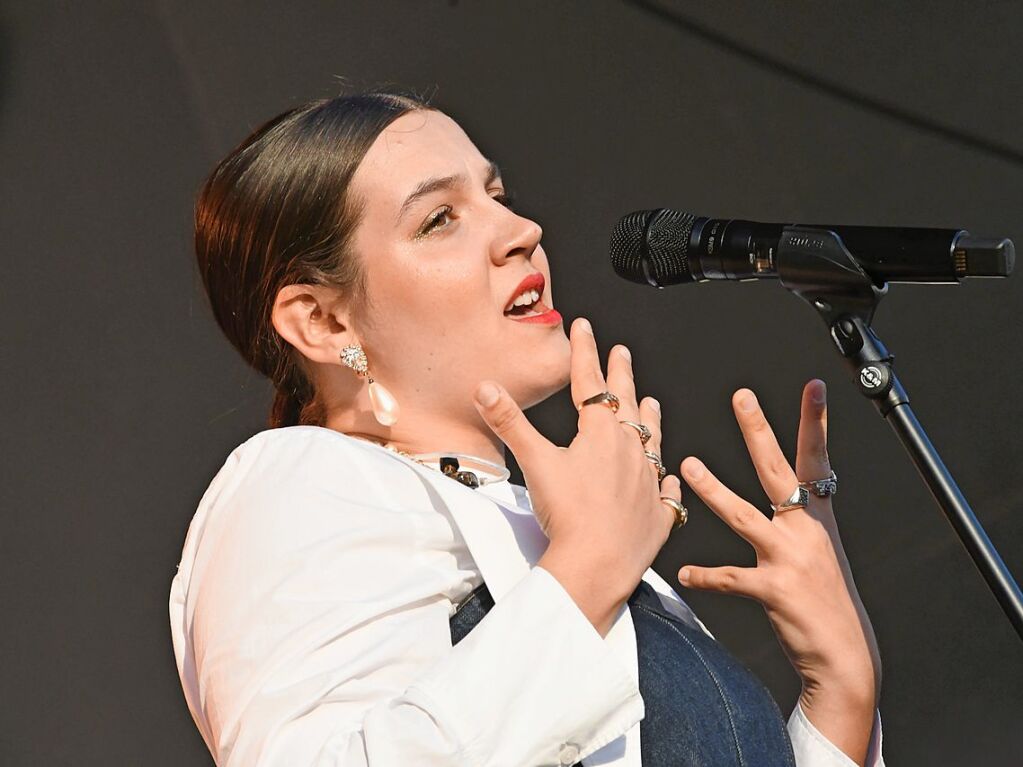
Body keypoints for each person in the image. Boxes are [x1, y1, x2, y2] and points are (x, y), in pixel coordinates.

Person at [170, 89, 885, 766]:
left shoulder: (544, 539)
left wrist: (840, 695)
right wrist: (589, 567)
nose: (521, 231)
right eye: (438, 218)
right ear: (323, 321)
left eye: (497, 196)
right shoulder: (297, 480)